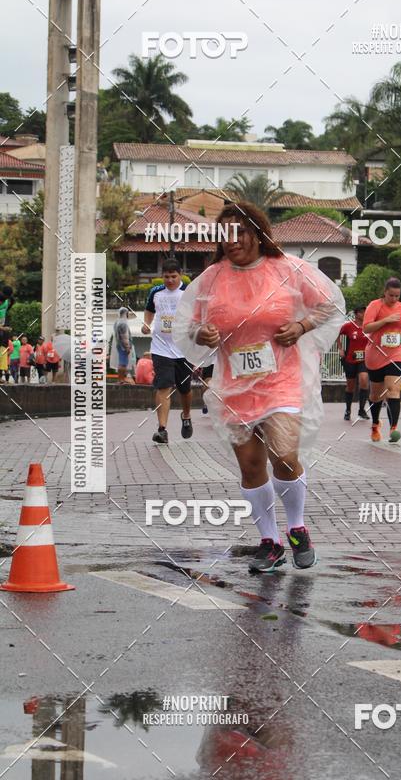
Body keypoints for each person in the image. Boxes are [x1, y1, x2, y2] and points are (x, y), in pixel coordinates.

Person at [172, 201, 344, 574]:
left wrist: (300, 327)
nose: (232, 241)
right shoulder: (212, 279)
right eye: (225, 235)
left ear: (257, 232)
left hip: (282, 379)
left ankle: (297, 527)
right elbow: (185, 324)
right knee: (251, 467)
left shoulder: (287, 270)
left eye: (239, 232)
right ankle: (269, 540)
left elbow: (330, 305)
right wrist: (201, 332)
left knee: (283, 454)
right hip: (235, 385)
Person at [142, 259, 194, 444]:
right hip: (160, 347)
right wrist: (146, 324)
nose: (170, 280)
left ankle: (186, 415)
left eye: (173, 276)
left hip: (184, 348)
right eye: (166, 277)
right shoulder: (155, 292)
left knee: (185, 389)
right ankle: (162, 429)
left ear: (180, 274)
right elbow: (149, 311)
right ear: (162, 276)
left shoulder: (188, 291)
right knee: (163, 385)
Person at [363, 277, 401, 443]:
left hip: (398, 353)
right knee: (376, 395)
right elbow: (366, 327)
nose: (394, 299)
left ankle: (393, 428)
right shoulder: (375, 305)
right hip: (376, 354)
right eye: (391, 295)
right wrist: (385, 321)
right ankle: (375, 424)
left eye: (397, 296)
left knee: (393, 389)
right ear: (385, 292)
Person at [337, 306, 369, 421]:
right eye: (363, 313)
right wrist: (340, 348)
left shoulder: (368, 326)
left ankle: (361, 410)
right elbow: (337, 333)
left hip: (364, 360)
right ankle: (348, 410)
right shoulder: (348, 326)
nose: (365, 314)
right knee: (350, 386)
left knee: (364, 380)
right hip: (350, 359)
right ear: (357, 314)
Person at [110, 307, 136, 383]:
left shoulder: (117, 322)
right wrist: (127, 347)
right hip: (123, 346)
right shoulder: (123, 323)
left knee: (121, 362)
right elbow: (125, 336)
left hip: (119, 345)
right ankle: (121, 379)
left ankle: (120, 379)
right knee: (123, 363)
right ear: (125, 313)